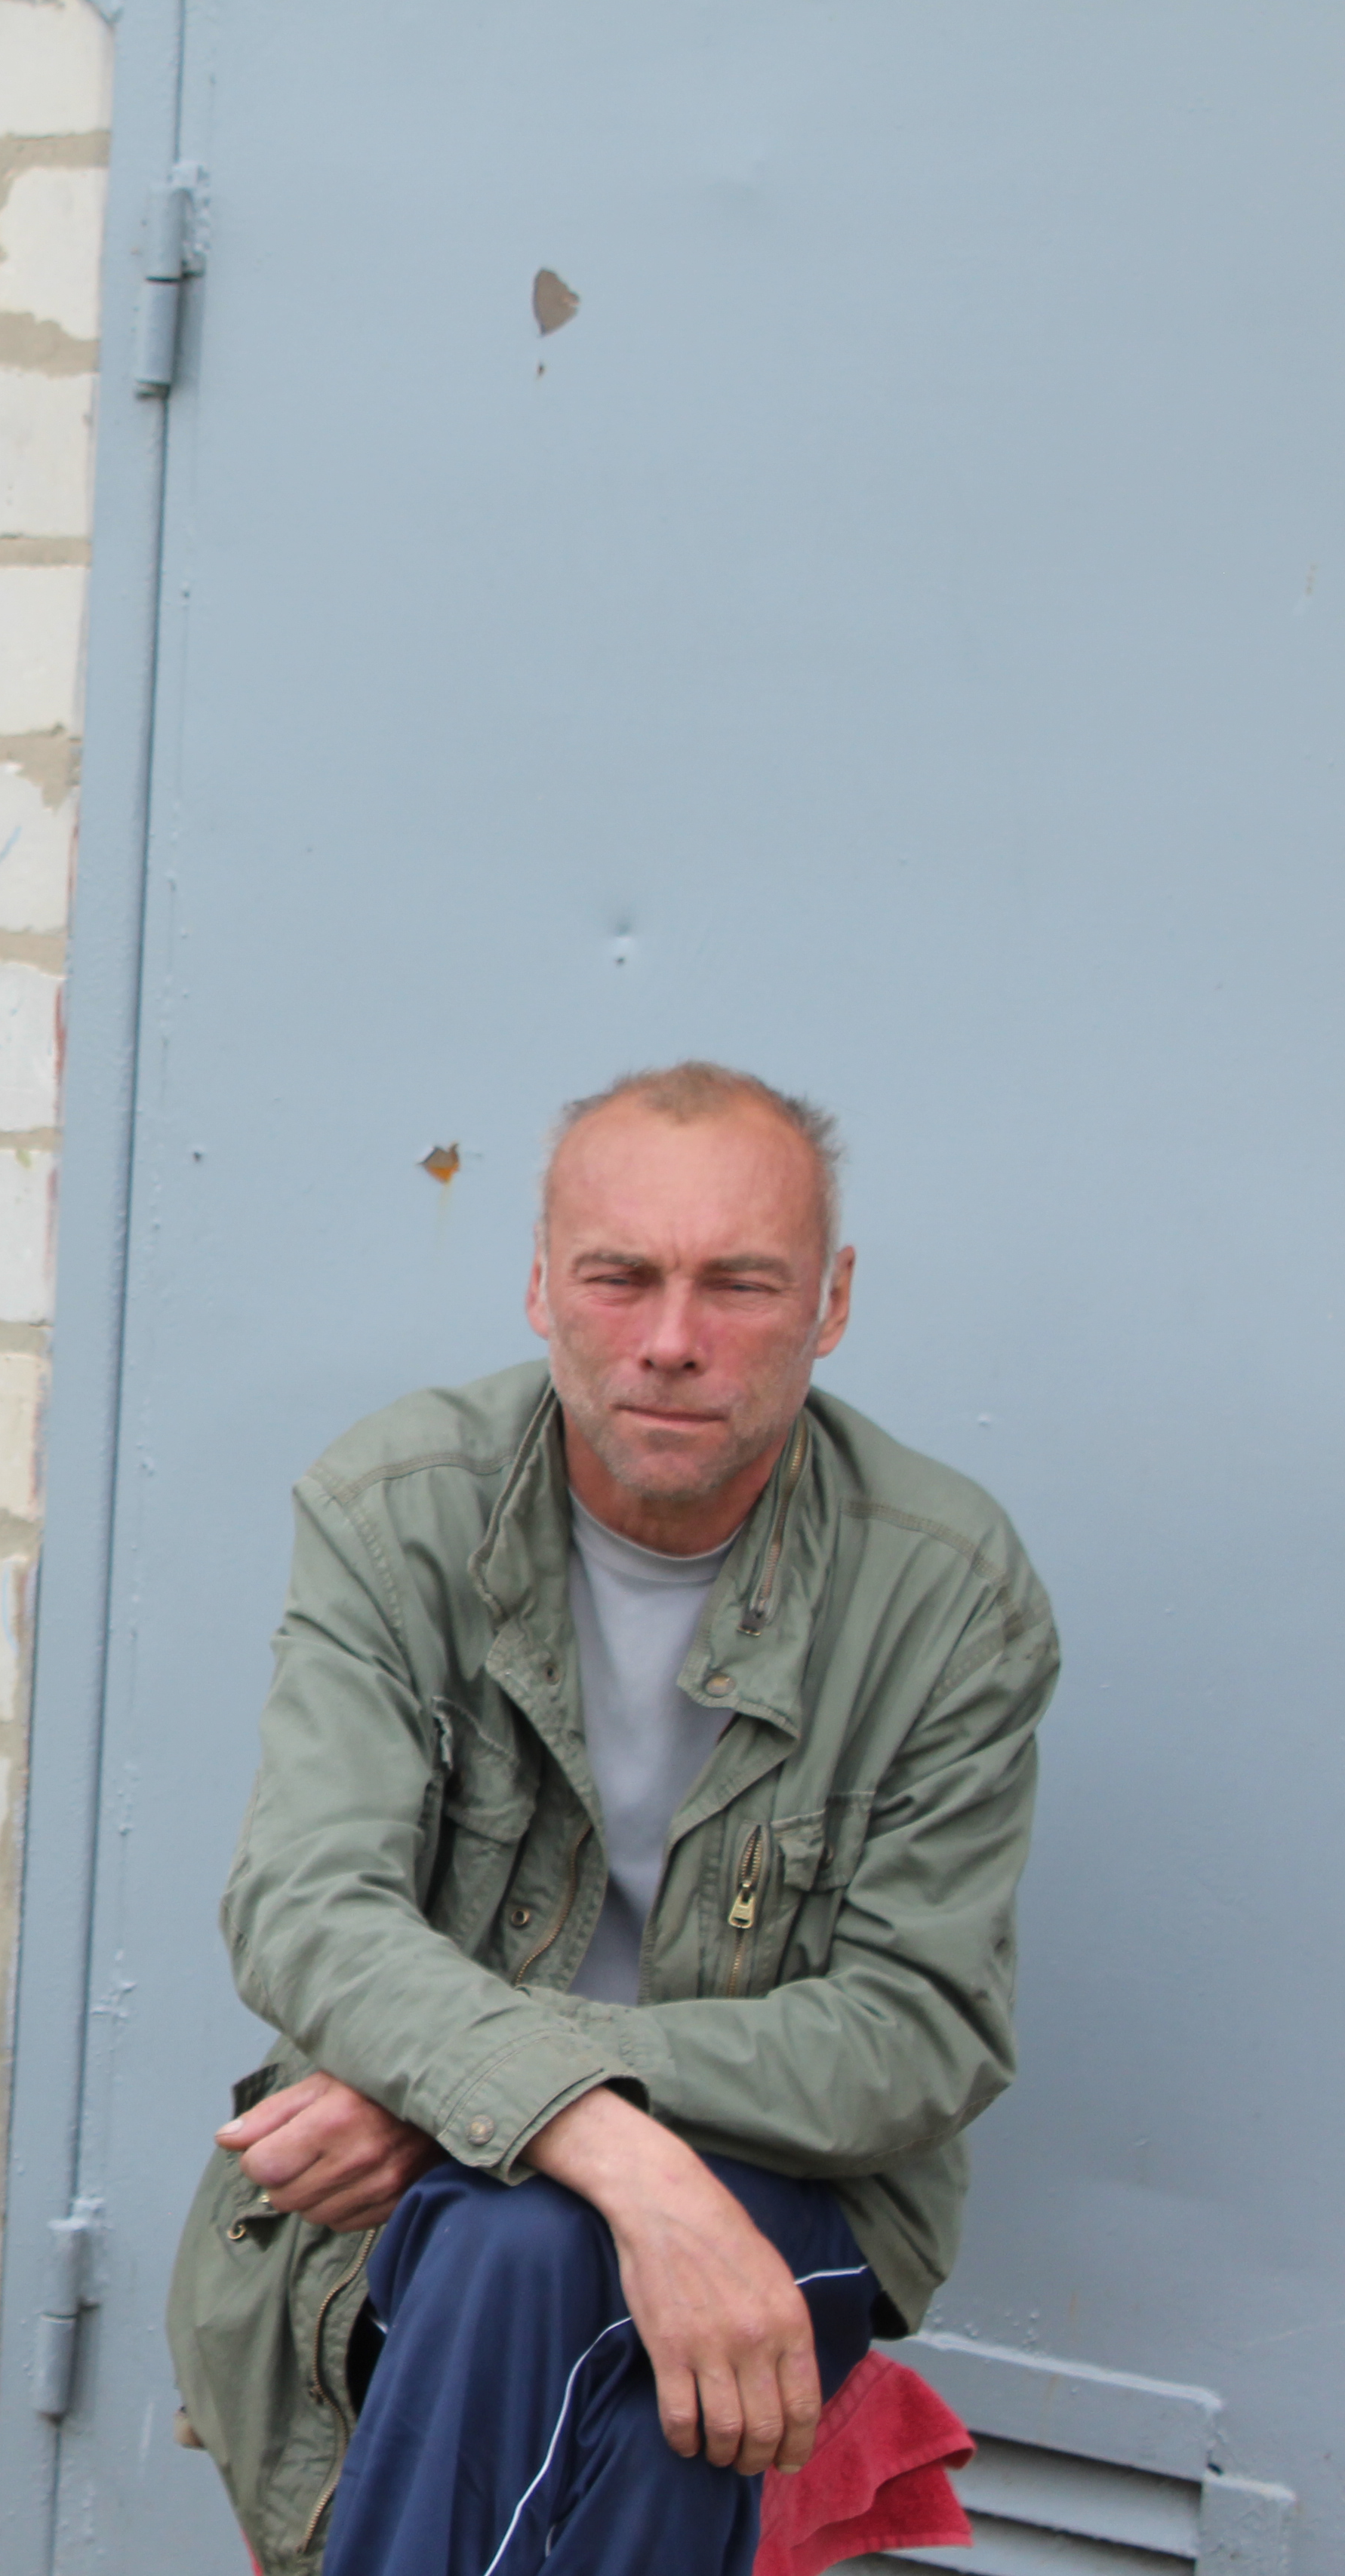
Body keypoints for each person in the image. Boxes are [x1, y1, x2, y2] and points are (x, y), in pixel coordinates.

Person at [165, 1064, 1056, 2576]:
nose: (671, 1342)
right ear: (539, 1287)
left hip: (789, 2190)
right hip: (429, 2211)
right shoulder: (399, 1512)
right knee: (564, 2282)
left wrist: (486, 2088)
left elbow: (921, 2028)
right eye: (620, 1277)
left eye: (741, 1285)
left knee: (530, 2245)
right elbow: (307, 1905)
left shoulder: (948, 1590)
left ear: (832, 1304)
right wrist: (617, 2157)